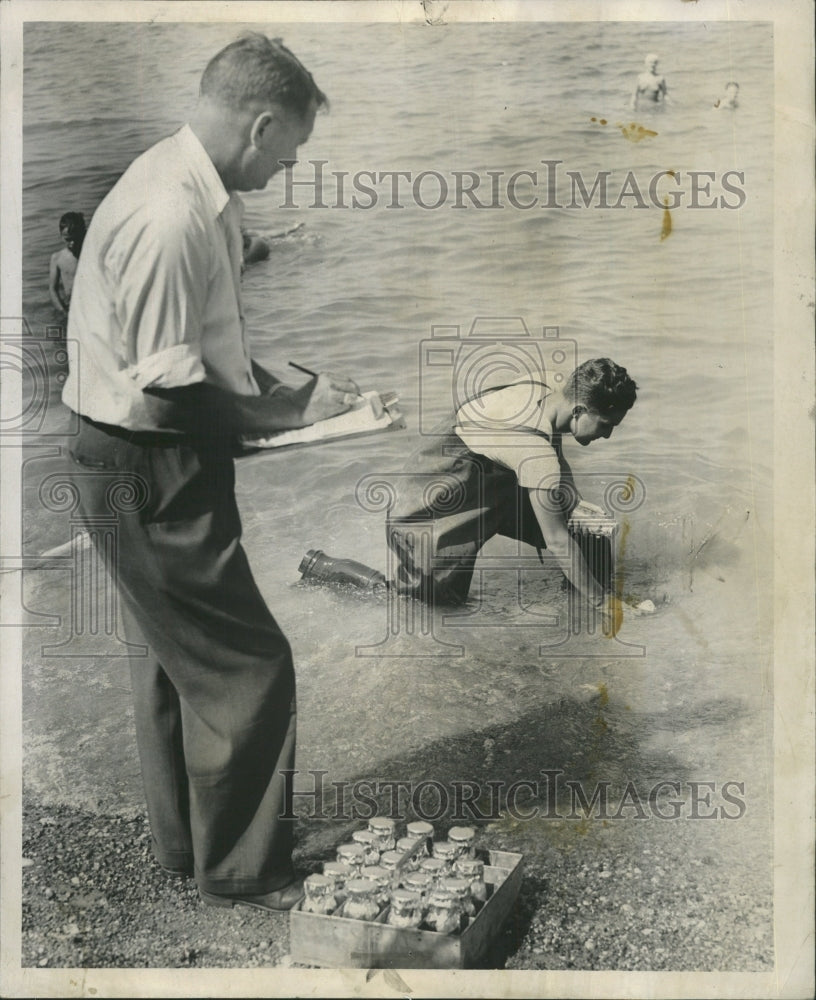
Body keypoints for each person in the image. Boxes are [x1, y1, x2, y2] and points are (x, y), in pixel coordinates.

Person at [61, 33, 359, 913]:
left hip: (129, 453)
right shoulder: (171, 214)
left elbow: (196, 353)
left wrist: (290, 392)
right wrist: (286, 418)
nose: (288, 167)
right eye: (290, 151)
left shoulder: (192, 185)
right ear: (261, 125)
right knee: (249, 667)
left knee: (172, 657)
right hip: (147, 461)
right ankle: (241, 871)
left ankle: (188, 845)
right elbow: (166, 401)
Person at [301, 359, 638, 636]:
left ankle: (573, 625)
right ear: (579, 409)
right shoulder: (535, 454)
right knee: (427, 602)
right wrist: (602, 603)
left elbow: (549, 438)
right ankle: (325, 567)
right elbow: (557, 540)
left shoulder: (554, 387)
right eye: (606, 424)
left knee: (588, 532)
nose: (608, 434)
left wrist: (573, 499)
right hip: (432, 494)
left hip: (490, 474)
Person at [48, 212, 86, 317]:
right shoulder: (57, 258)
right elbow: (53, 289)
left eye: (76, 238)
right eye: (68, 239)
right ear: (61, 236)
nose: (72, 243)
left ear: (84, 233)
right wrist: (63, 312)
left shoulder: (90, 254)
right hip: (70, 307)